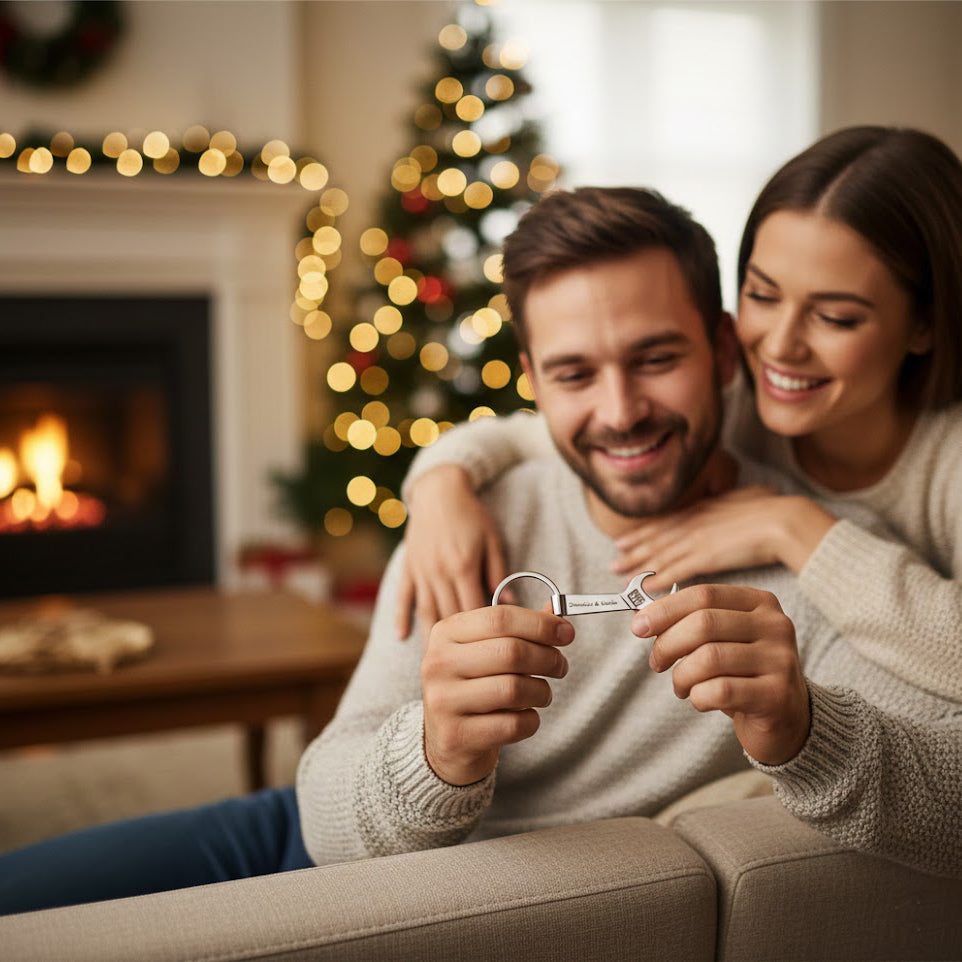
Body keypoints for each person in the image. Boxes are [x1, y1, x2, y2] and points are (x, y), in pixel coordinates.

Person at [296, 185, 962, 879]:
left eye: (656, 360)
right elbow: (320, 827)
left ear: (725, 354)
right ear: (534, 382)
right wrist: (435, 755)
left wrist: (809, 733)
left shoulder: (823, 575)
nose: (620, 413)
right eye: (574, 373)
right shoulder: (468, 522)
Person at [397, 125, 962, 704]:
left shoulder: (947, 459)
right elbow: (537, 435)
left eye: (837, 317)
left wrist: (792, 526)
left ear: (925, 323)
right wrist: (440, 486)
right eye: (763, 295)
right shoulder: (737, 395)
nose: (778, 345)